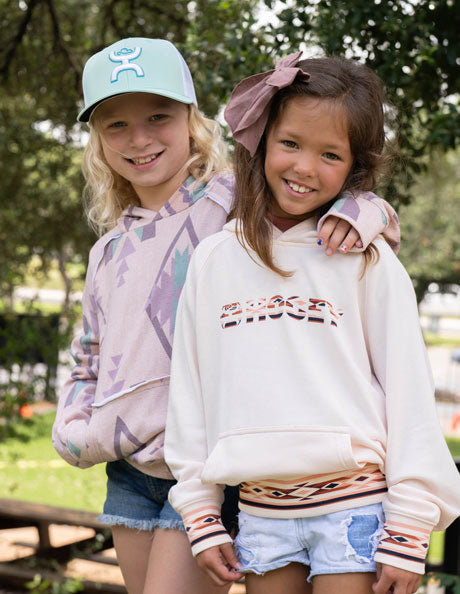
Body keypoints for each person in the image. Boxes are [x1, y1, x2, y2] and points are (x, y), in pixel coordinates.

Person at [52, 38, 399, 594]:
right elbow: (88, 357)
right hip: (129, 475)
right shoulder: (108, 251)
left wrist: (364, 210)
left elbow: (320, 195)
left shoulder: (235, 202)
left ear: (192, 119)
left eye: (158, 117)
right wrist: (78, 430)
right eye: (116, 125)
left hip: (209, 469)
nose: (139, 138)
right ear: (97, 139)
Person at [164, 52, 460, 594]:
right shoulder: (213, 260)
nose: (304, 167)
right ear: (261, 141)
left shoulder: (367, 259)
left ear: (354, 167)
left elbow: (409, 394)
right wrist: (201, 514)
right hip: (260, 512)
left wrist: (411, 523)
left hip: (357, 509)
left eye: (330, 154)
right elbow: (190, 396)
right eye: (291, 143)